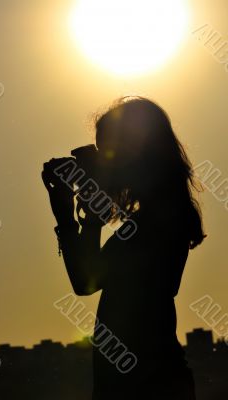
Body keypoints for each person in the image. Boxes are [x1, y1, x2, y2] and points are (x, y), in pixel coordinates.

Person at [42, 96, 206, 399]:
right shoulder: (158, 215)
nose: (106, 162)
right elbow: (87, 281)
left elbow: (86, 281)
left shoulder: (160, 218)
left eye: (111, 153)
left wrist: (72, 216)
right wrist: (85, 216)